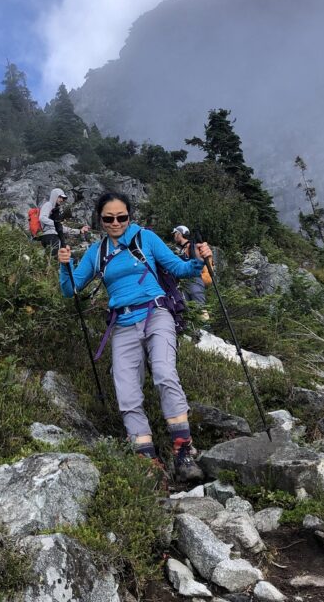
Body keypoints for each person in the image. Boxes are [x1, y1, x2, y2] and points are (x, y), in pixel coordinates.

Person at [58, 192, 212, 484]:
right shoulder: (96, 252)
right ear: (100, 220)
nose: (116, 222)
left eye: (121, 217)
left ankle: (183, 449)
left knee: (165, 373)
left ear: (129, 216)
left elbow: (178, 269)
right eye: (109, 218)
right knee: (127, 392)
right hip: (123, 324)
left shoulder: (146, 238)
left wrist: (196, 259)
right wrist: (64, 265)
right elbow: (71, 290)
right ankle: (146, 458)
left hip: (156, 313)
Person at [37, 188, 89, 254]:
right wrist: (56, 223)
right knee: (56, 258)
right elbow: (42, 218)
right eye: (60, 197)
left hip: (52, 236)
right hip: (50, 236)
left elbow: (61, 228)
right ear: (54, 196)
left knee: (55, 259)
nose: (62, 200)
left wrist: (79, 231)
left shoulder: (55, 210)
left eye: (63, 198)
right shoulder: (48, 205)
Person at [171, 225, 210, 304]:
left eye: (175, 233)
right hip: (184, 282)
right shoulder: (181, 249)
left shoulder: (193, 246)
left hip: (194, 280)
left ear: (179, 233)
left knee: (199, 307)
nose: (174, 236)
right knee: (188, 308)